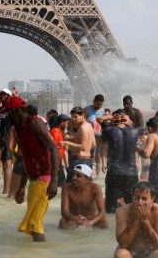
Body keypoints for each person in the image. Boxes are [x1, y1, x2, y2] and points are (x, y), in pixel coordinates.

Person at [7, 96, 59, 242]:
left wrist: (54, 181)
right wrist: (22, 187)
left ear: (17, 111)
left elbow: (53, 148)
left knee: (35, 225)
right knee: (33, 226)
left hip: (45, 178)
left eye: (9, 112)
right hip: (33, 181)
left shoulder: (35, 123)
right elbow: (26, 159)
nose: (7, 116)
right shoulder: (18, 129)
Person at [114, 181, 158, 258]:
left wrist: (145, 221)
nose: (140, 202)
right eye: (136, 198)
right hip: (130, 250)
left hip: (154, 250)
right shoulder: (123, 212)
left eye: (144, 199)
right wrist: (136, 220)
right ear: (132, 198)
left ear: (152, 199)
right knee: (120, 255)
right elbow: (123, 244)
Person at [102, 110, 143, 213]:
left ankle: (111, 226)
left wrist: (113, 117)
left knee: (110, 206)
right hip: (131, 173)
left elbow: (100, 120)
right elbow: (140, 127)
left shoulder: (109, 130)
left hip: (114, 172)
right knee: (132, 205)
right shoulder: (135, 131)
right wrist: (128, 120)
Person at [59, 164, 108, 229]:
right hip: (73, 218)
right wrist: (76, 219)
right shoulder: (66, 188)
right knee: (63, 223)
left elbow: (102, 212)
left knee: (104, 224)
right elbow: (64, 212)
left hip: (90, 218)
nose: (74, 178)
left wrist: (92, 222)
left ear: (87, 179)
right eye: (73, 175)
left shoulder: (95, 188)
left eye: (78, 176)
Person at [60, 106, 95, 183]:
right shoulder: (89, 125)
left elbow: (83, 147)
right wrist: (68, 138)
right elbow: (93, 144)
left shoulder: (82, 128)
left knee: (70, 187)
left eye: (75, 116)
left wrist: (67, 143)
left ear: (82, 115)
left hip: (79, 161)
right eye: (72, 117)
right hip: (87, 160)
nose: (73, 119)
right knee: (85, 187)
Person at [85, 94, 106, 177]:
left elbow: (103, 124)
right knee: (90, 155)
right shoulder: (87, 109)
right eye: (97, 104)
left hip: (98, 137)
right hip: (89, 136)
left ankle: (97, 176)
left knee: (98, 155)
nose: (98, 106)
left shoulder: (102, 111)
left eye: (100, 104)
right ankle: (88, 174)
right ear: (93, 102)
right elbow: (83, 120)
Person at [49, 114, 69, 187]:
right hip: (55, 160)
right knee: (62, 183)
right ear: (61, 122)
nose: (67, 125)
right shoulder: (55, 131)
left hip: (57, 160)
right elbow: (52, 146)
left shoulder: (58, 131)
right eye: (66, 123)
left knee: (61, 183)